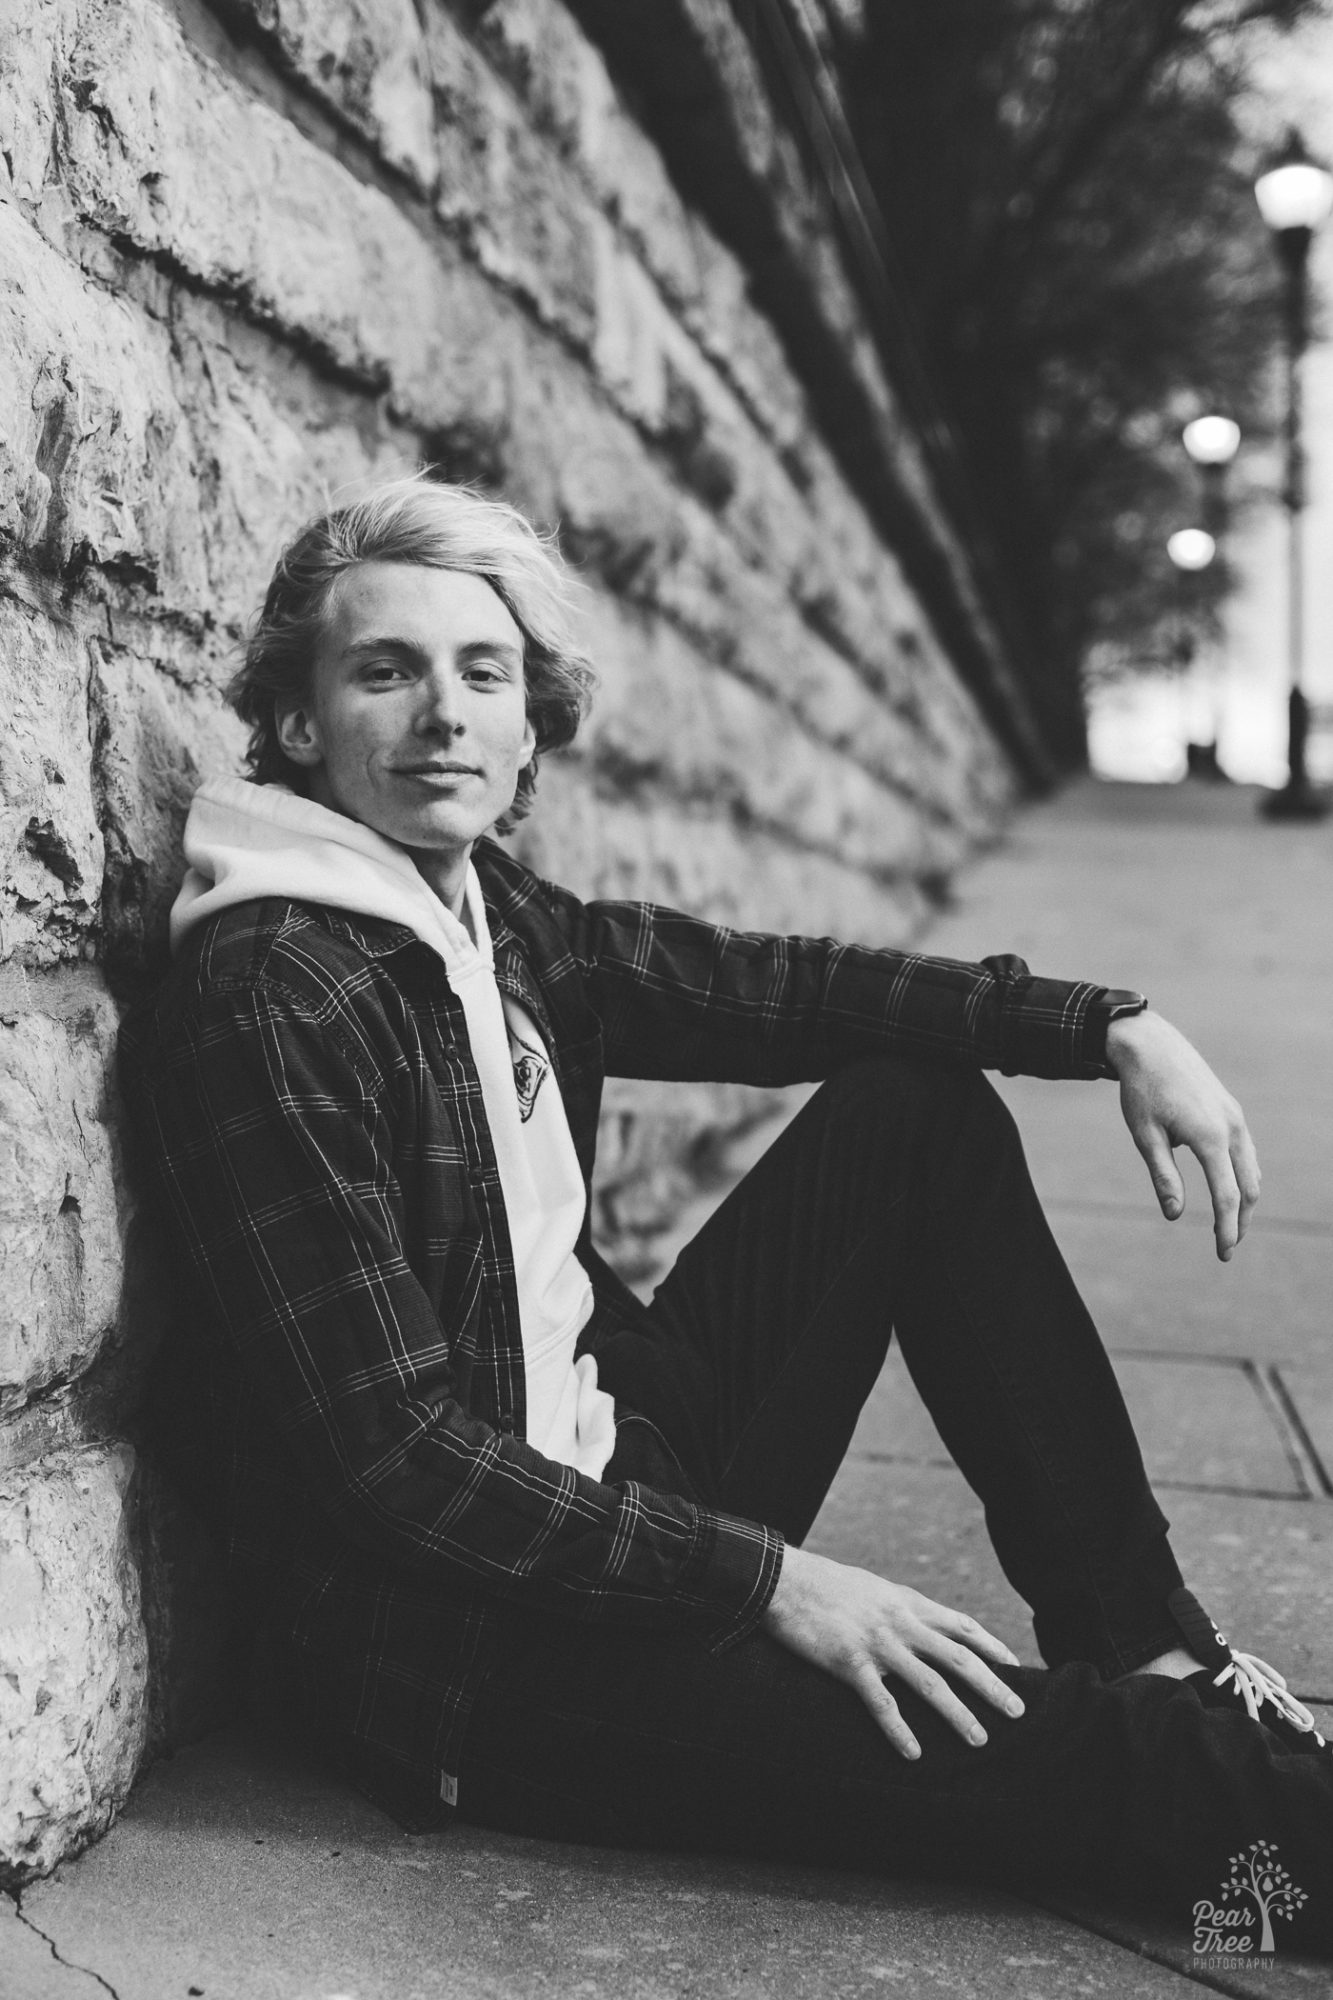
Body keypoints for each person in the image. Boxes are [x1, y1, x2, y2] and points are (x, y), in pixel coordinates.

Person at [120, 476, 1332, 1949]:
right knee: (1109, 1775)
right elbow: (393, 1462)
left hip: (624, 1474)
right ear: (302, 725)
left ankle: (1142, 1643)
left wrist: (1102, 1026)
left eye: (479, 674)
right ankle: (1202, 1768)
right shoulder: (273, 995)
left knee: (914, 1114)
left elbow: (775, 989)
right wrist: (766, 1583)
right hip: (487, 1658)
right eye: (386, 672)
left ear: (527, 726)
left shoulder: (485, 918)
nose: (441, 712)